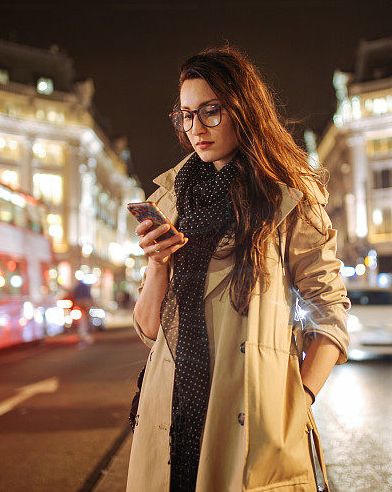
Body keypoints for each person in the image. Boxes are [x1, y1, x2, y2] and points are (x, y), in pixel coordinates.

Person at [127, 47, 349, 492]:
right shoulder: (171, 197)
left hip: (249, 414)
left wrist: (296, 403)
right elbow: (151, 329)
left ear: (244, 110)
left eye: (211, 112)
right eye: (186, 115)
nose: (196, 129)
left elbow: (330, 310)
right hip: (172, 408)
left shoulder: (288, 195)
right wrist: (157, 265)